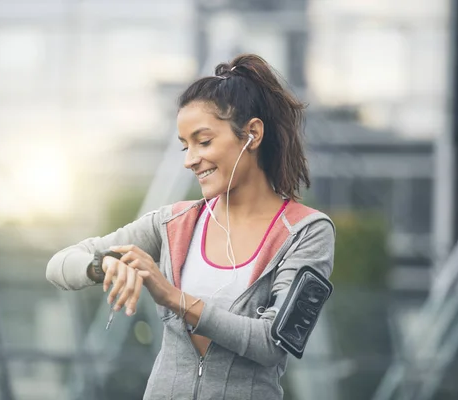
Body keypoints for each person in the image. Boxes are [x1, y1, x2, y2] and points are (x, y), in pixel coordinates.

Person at [46, 53, 335, 400]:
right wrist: (102, 263)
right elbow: (59, 265)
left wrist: (174, 298)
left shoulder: (306, 232)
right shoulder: (175, 223)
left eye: (204, 141)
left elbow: (273, 341)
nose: (189, 160)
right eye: (185, 146)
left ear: (252, 134)